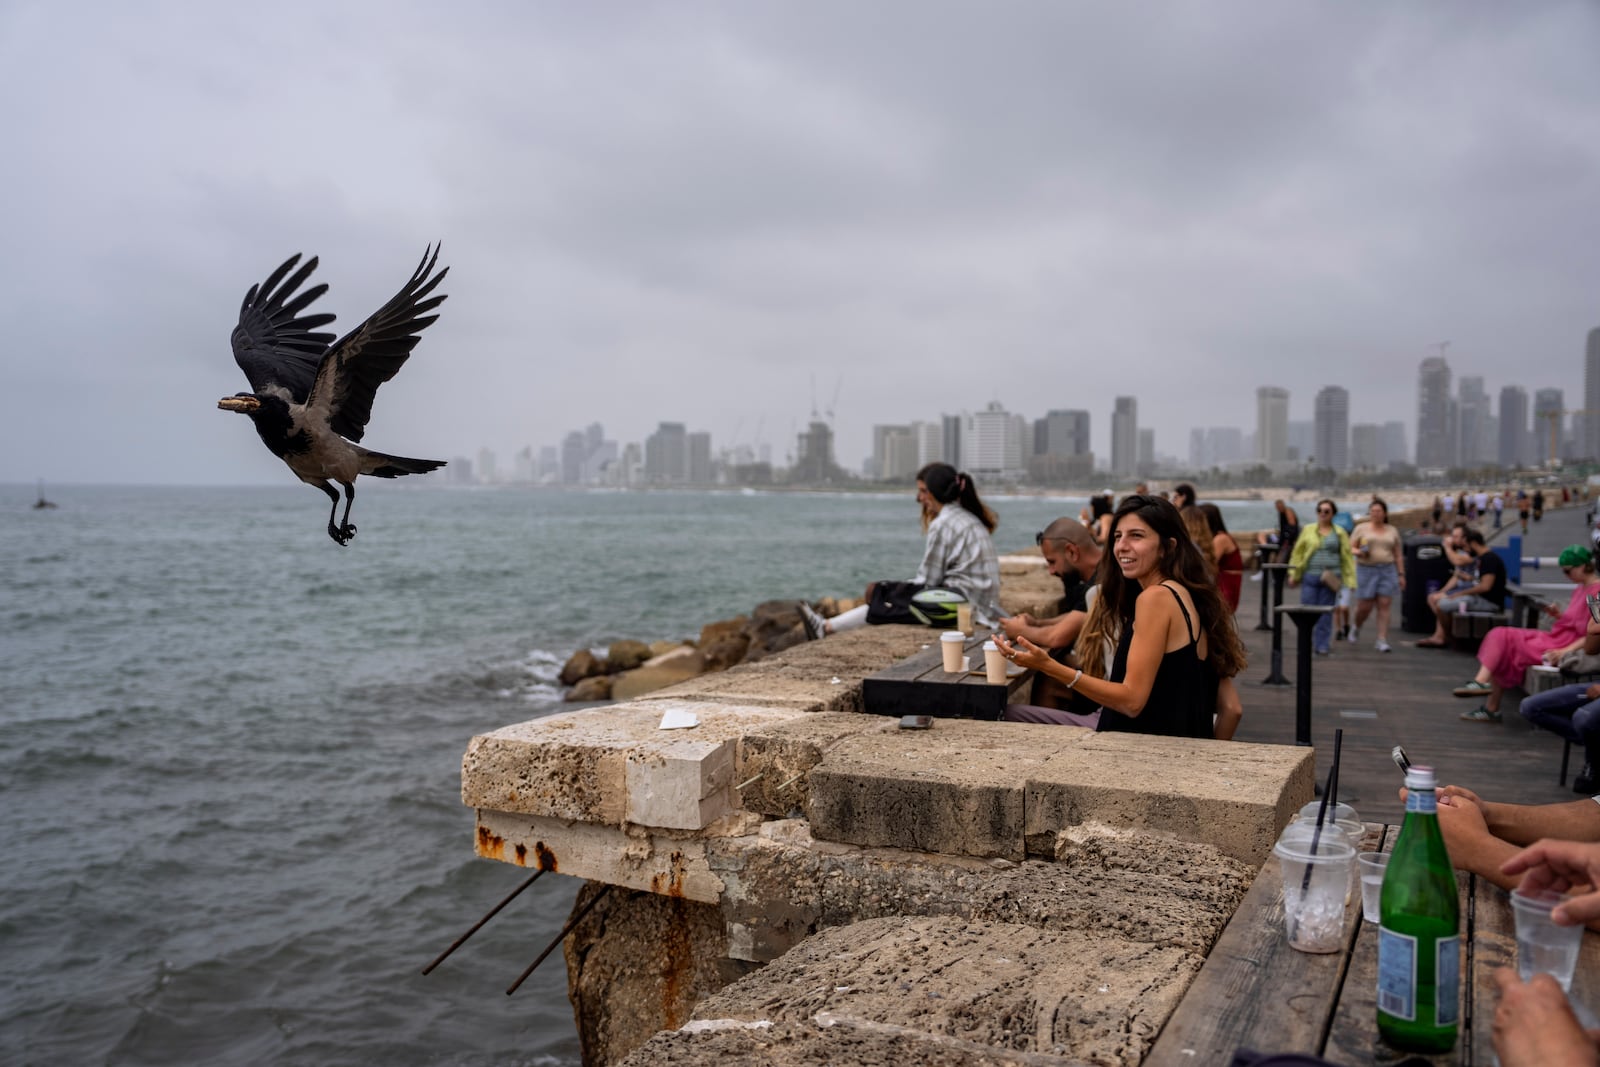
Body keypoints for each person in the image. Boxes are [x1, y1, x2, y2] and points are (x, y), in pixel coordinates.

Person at [996, 495, 1248, 739]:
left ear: (1168, 547)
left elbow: (1131, 701)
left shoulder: (1155, 599)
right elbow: (1232, 708)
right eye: (1117, 536)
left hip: (1136, 748)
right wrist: (1205, 758)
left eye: (1136, 536)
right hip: (1173, 753)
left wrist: (1048, 666)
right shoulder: (1194, 597)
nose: (1121, 546)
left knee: (998, 714)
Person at [798, 462, 999, 638]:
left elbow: (928, 581)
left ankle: (827, 627)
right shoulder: (967, 518)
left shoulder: (944, 523)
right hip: (979, 604)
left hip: (962, 607)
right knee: (887, 594)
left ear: (935, 493)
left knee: (887, 599)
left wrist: (888, 590)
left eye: (923, 491)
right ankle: (827, 626)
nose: (919, 498)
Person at [1454, 545, 1600, 723]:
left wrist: (1564, 651)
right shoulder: (1580, 588)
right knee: (1501, 639)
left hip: (1564, 644)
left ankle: (1486, 694)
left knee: (1502, 638)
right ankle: (1487, 697)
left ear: (1583, 566)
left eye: (1568, 571)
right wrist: (1559, 615)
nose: (1566, 576)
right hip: (1557, 638)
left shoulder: (1596, 592)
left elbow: (1592, 632)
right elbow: (1577, 621)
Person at [998, 518, 1101, 714]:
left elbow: (1057, 637)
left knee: (1050, 678)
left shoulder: (1102, 581)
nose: (1051, 571)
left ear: (1072, 551)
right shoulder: (1101, 573)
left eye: (1052, 562)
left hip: (1114, 687)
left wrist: (1019, 630)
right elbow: (1078, 615)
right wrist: (1037, 622)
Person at [1416, 527, 1505, 650]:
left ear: (1474, 544)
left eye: (1467, 546)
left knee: (1441, 606)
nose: (1466, 549)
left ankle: (1450, 636)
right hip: (1478, 598)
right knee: (1442, 603)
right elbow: (1480, 581)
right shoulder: (1483, 558)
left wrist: (1459, 594)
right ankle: (1449, 635)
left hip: (1488, 602)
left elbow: (1485, 586)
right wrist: (1469, 579)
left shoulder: (1489, 559)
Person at [1287, 499, 1356, 656]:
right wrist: (1293, 574)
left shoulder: (1339, 532)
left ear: (1333, 514)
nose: (1323, 514)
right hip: (1311, 575)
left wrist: (1350, 580)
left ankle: (1322, 645)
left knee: (1326, 613)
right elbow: (1298, 552)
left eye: (1327, 511)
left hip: (1331, 577)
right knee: (1307, 611)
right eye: (1320, 510)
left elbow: (1346, 557)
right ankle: (1306, 643)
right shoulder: (1308, 530)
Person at [1349, 497, 1405, 652]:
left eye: (1379, 511)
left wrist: (1401, 574)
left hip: (1387, 569)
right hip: (1366, 569)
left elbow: (1398, 554)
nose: (1375, 513)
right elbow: (1350, 548)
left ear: (1385, 513)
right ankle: (1356, 626)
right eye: (1373, 511)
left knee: (1384, 604)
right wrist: (1359, 552)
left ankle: (1382, 639)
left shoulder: (1392, 530)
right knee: (1364, 606)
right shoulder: (1361, 528)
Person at [1199, 503, 1244, 613]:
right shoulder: (1221, 536)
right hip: (1225, 581)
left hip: (1226, 583)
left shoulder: (1220, 539)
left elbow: (1208, 563)